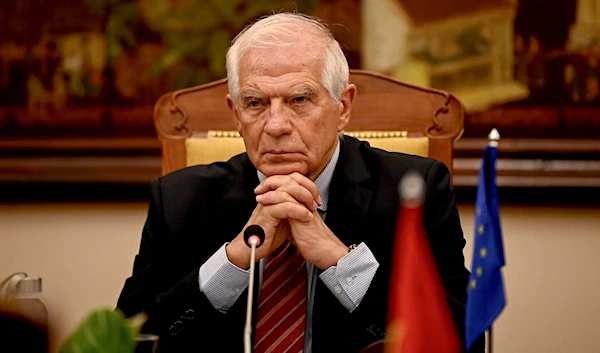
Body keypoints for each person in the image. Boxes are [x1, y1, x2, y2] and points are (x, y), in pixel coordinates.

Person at [117, 12, 484, 353]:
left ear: (343, 107)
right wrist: (235, 261)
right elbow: (129, 342)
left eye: (299, 99)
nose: (276, 126)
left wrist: (340, 262)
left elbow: (462, 340)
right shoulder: (180, 198)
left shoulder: (414, 191)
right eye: (256, 103)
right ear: (235, 114)